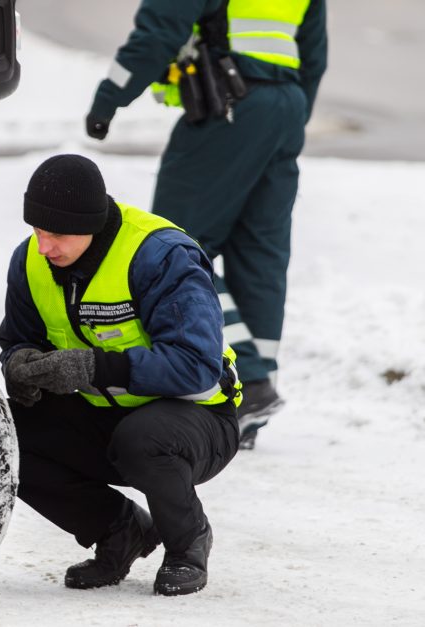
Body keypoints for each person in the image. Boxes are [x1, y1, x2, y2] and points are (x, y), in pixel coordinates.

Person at [85, 0, 328, 449]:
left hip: (229, 106)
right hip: (285, 106)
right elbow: (314, 56)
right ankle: (251, 405)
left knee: (172, 248)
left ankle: (250, 382)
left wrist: (108, 98)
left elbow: (159, 32)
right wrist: (284, 119)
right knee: (260, 257)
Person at [0, 154, 241, 596]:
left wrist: (93, 366)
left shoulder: (160, 256)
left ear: (90, 224)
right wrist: (19, 365)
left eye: (56, 234)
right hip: (105, 413)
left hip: (197, 419)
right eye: (36, 230)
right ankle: (119, 530)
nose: (44, 245)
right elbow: (18, 338)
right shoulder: (31, 260)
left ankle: (187, 544)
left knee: (141, 438)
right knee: (2, 434)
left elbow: (196, 364)